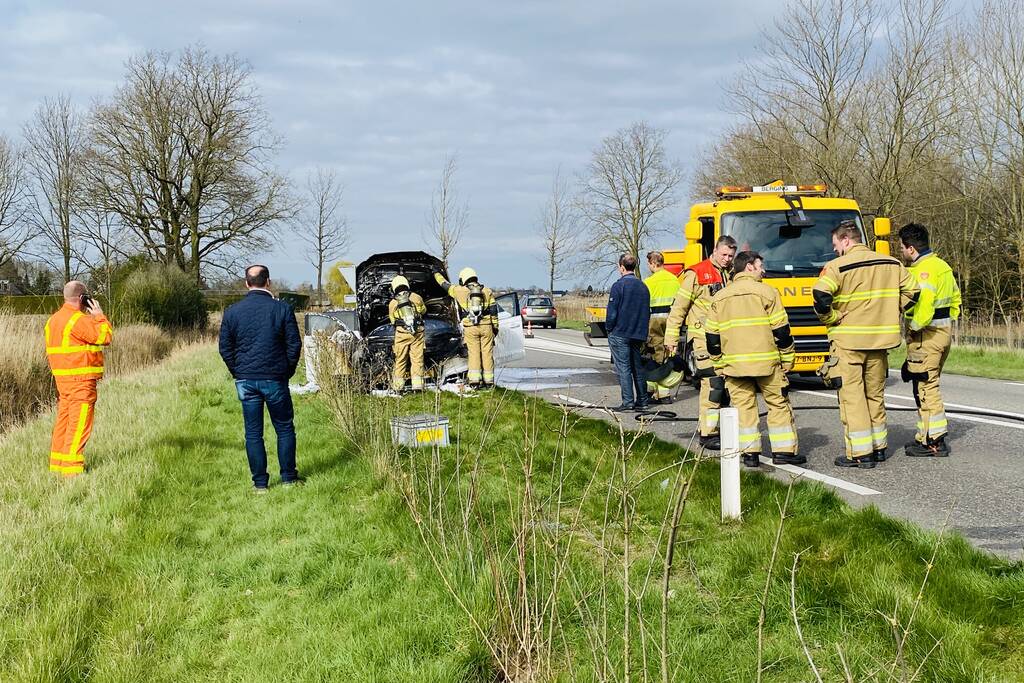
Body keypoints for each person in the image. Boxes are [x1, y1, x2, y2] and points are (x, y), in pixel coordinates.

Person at [813, 221, 919, 468]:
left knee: (852, 397)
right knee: (875, 395)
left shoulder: (836, 266)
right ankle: (879, 448)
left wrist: (831, 318)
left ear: (846, 240)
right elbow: (914, 292)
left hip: (849, 341)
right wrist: (895, 310)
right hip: (881, 341)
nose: (836, 249)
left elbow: (820, 296)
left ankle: (860, 454)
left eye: (836, 244)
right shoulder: (892, 264)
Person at [705, 252, 800, 468]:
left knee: (743, 408)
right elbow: (782, 331)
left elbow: (712, 337)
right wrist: (787, 359)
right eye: (760, 266)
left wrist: (718, 363)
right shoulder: (767, 292)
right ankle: (783, 452)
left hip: (734, 366)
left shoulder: (719, 297)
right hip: (767, 364)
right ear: (749, 267)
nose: (763, 270)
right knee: (778, 404)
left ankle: (750, 454)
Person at [219, 265, 303, 493]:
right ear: (268, 282)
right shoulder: (283, 309)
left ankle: (260, 484)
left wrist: (238, 370)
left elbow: (225, 348)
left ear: (247, 283)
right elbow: (294, 344)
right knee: (284, 428)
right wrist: (287, 371)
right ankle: (288, 478)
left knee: (253, 433)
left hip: (246, 379)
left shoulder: (232, 312)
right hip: (275, 377)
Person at [664, 235, 737, 449]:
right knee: (712, 383)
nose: (727, 259)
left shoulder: (731, 274)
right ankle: (708, 433)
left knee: (725, 386)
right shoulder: (697, 273)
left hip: (725, 338)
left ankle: (719, 427)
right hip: (703, 337)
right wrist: (671, 337)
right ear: (714, 251)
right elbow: (679, 308)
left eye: (730, 256)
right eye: (724, 255)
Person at [898, 223, 962, 457]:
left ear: (911, 248)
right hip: (943, 334)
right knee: (925, 383)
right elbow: (956, 302)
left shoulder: (922, 271)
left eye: (902, 248)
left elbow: (923, 308)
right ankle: (923, 436)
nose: (901, 252)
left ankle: (934, 441)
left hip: (925, 336)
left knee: (926, 387)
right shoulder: (943, 266)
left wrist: (913, 329)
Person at [44, 281, 114, 477]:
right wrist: (99, 315)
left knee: (64, 422)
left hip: (63, 382)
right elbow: (105, 336)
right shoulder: (79, 320)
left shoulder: (52, 321)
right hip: (81, 382)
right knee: (79, 424)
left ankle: (57, 465)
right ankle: (72, 470)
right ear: (82, 298)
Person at [435, 267, 499, 388]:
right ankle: (489, 381)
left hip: (471, 328)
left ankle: (475, 381)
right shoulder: (487, 291)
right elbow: (494, 312)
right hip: (487, 327)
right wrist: (495, 328)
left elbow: (444, 285)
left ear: (463, 279)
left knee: (474, 353)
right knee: (487, 353)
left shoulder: (459, 291)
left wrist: (436, 273)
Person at [606, 253, 651, 411]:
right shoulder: (643, 287)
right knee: (637, 367)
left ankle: (628, 401)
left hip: (621, 332)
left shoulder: (619, 286)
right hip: (637, 333)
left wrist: (609, 329)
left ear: (621, 267)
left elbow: (612, 313)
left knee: (623, 367)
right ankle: (643, 400)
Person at [643, 250, 681, 403]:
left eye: (649, 264)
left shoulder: (649, 282)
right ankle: (665, 391)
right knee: (668, 353)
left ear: (652, 263)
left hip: (654, 321)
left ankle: (653, 391)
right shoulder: (674, 280)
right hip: (672, 320)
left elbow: (644, 304)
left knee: (655, 355)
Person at [388, 275, 427, 392]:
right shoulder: (416, 297)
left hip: (401, 333)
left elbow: (392, 320)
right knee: (417, 359)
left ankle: (398, 388)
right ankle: (418, 386)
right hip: (417, 333)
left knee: (400, 360)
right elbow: (423, 310)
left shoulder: (392, 303)